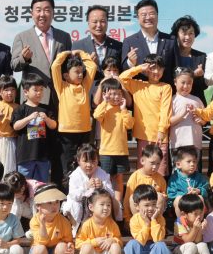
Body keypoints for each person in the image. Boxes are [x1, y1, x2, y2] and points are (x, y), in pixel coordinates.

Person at [11, 0, 73, 106]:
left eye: (47, 10)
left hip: (60, 96)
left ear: (53, 13)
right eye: (38, 10)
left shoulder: (64, 37)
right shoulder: (22, 37)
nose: (42, 14)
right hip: (33, 100)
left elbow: (69, 66)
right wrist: (24, 58)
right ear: (32, 13)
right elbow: (14, 65)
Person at [120, 54, 173, 176]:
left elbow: (166, 111)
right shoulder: (137, 85)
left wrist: (161, 130)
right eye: (153, 68)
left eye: (159, 68)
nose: (156, 72)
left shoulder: (165, 87)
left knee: (160, 171)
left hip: (160, 137)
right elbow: (121, 78)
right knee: (143, 170)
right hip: (143, 135)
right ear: (146, 70)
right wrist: (139, 68)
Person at [50, 50, 97, 182]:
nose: (80, 74)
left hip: (84, 131)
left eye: (81, 71)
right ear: (66, 75)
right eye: (76, 72)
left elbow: (92, 66)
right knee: (67, 164)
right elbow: (55, 67)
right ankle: (66, 190)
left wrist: (81, 53)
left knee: (83, 161)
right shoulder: (62, 87)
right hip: (67, 133)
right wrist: (65, 54)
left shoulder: (85, 86)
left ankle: (83, 187)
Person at [93, 78, 134, 207]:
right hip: (106, 151)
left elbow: (129, 124)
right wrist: (104, 102)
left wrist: (124, 109)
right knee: (107, 179)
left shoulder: (124, 110)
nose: (116, 97)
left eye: (118, 94)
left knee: (119, 178)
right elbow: (96, 115)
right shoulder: (105, 108)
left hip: (121, 151)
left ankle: (117, 204)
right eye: (112, 94)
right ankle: (106, 203)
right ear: (105, 94)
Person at [124, 184, 171, 254]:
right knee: (131, 244)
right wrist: (146, 224)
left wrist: (153, 220)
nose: (150, 208)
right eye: (146, 205)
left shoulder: (160, 219)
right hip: (140, 253)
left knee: (161, 245)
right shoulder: (134, 219)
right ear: (137, 206)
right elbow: (140, 241)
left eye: (154, 204)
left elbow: (158, 239)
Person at [75, 189, 124, 254]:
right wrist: (93, 242)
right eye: (102, 204)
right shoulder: (86, 224)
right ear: (91, 207)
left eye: (108, 205)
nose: (106, 208)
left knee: (115, 246)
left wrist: (113, 240)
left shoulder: (112, 224)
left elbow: (119, 241)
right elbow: (78, 243)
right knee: (86, 247)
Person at [28, 185, 74, 254]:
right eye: (49, 203)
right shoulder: (35, 221)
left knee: (62, 246)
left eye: (57, 202)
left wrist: (70, 247)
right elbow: (41, 241)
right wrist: (42, 225)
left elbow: (68, 240)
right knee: (39, 248)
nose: (54, 206)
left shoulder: (64, 221)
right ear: (39, 206)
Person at [12, 74, 58, 183]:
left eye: (41, 90)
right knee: (24, 184)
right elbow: (16, 126)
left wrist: (46, 118)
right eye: (35, 90)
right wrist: (29, 118)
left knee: (41, 184)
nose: (39, 93)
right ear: (26, 92)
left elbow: (54, 125)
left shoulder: (46, 109)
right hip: (25, 156)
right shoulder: (20, 109)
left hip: (43, 155)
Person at [123, 0, 178, 86]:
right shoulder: (129, 41)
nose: (148, 17)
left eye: (151, 13)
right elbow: (123, 70)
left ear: (157, 15)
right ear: (138, 18)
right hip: (140, 91)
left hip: (165, 90)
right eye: (144, 15)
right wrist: (131, 62)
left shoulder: (170, 40)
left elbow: (176, 68)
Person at [63, 144, 117, 228]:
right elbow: (73, 195)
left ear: (98, 160)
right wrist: (86, 187)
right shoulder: (75, 175)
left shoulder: (102, 173)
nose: (89, 165)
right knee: (74, 205)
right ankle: (76, 229)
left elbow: (112, 194)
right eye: (85, 161)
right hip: (80, 206)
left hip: (96, 205)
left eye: (93, 161)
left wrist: (103, 186)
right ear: (78, 161)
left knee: (109, 203)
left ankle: (106, 227)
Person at [72, 5, 124, 86]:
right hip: (87, 91)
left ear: (107, 22)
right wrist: (90, 65)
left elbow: (122, 70)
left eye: (102, 21)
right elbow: (73, 72)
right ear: (88, 23)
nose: (99, 25)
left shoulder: (118, 46)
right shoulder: (78, 46)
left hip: (112, 91)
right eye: (95, 22)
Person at [169, 67, 206, 171]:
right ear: (175, 82)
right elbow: (168, 122)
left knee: (195, 170)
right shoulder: (172, 100)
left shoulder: (197, 100)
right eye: (183, 83)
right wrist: (183, 114)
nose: (186, 86)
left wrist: (200, 120)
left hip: (195, 143)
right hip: (178, 144)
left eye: (189, 83)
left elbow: (205, 118)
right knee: (178, 171)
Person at [123, 144, 168, 219]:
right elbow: (127, 199)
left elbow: (164, 199)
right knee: (132, 198)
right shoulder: (135, 177)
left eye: (158, 164)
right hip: (139, 212)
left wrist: (163, 197)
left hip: (153, 213)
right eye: (152, 163)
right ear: (142, 161)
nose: (155, 167)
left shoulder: (160, 179)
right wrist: (127, 218)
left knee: (160, 196)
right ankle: (139, 222)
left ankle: (156, 221)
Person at [171, 15, 208, 105]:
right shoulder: (170, 55)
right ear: (176, 35)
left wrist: (201, 77)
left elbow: (204, 85)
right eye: (184, 33)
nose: (187, 37)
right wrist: (193, 75)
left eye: (191, 33)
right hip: (175, 103)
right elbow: (168, 80)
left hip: (196, 103)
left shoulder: (201, 56)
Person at [167, 146, 209, 215]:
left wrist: (199, 191)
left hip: (195, 204)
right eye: (188, 162)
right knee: (177, 199)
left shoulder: (199, 177)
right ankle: (180, 220)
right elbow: (171, 194)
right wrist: (184, 195)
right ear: (178, 164)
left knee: (200, 197)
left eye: (194, 161)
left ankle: (200, 219)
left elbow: (206, 189)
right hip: (181, 205)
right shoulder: (174, 179)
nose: (192, 164)